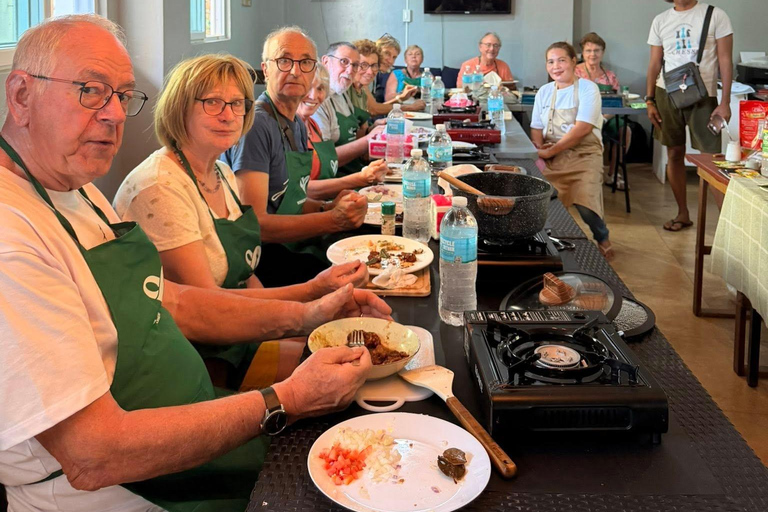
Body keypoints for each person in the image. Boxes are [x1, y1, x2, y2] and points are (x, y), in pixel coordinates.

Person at [0, 15, 391, 512]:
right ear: (21, 95)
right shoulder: (12, 236)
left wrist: (311, 309)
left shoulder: (73, 188)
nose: (114, 114)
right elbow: (92, 454)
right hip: (131, 482)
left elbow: (176, 303)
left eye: (122, 95)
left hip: (191, 412)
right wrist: (285, 399)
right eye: (91, 91)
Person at [114, 54, 370, 386]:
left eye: (237, 104)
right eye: (212, 102)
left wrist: (310, 306)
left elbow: (246, 277)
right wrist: (311, 295)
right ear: (179, 108)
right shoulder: (159, 187)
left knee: (354, 355)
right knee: (342, 375)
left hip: (241, 336)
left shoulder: (221, 172)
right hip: (195, 363)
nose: (229, 115)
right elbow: (207, 308)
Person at [222, 27, 368, 286]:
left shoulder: (297, 123)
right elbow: (256, 225)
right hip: (260, 259)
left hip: (294, 244)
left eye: (305, 62)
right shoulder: (257, 125)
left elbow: (292, 199)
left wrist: (328, 207)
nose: (295, 71)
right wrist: (332, 219)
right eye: (284, 60)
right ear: (266, 69)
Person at [646, 0, 733, 232]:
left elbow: (725, 59)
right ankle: (682, 213)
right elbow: (654, 63)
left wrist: (725, 102)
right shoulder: (660, 20)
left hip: (704, 96)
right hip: (666, 93)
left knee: (711, 159)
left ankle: (728, 226)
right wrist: (649, 99)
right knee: (674, 153)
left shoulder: (716, 15)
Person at [531, 42, 614, 260]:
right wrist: (540, 148)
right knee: (547, 202)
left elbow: (583, 128)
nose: (556, 66)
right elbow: (536, 127)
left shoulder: (588, 88)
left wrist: (550, 151)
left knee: (587, 203)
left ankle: (602, 237)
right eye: (551, 62)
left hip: (585, 154)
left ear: (573, 62)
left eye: (561, 60)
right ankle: (550, 241)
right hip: (553, 155)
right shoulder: (544, 92)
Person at [297, 62, 389, 199]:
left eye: (320, 88)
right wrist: (360, 178)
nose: (313, 95)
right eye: (307, 87)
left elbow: (328, 163)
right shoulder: (286, 130)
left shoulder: (313, 125)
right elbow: (301, 190)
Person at [312, 41, 384, 176]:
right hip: (338, 178)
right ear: (326, 61)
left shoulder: (342, 93)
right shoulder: (316, 102)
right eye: (344, 62)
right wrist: (368, 139)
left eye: (355, 65)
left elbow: (353, 135)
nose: (350, 70)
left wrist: (372, 129)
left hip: (356, 169)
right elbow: (324, 160)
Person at [575, 32, 632, 191]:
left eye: (596, 50)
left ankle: (613, 174)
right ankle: (581, 175)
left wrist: (604, 118)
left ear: (602, 52)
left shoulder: (610, 76)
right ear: (582, 53)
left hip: (606, 117)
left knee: (625, 131)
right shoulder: (575, 73)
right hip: (581, 117)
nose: (592, 54)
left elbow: (617, 103)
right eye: (588, 51)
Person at [350, 39, 424, 119]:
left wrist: (401, 97)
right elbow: (373, 109)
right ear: (377, 52)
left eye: (394, 57)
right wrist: (410, 107)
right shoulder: (362, 76)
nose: (390, 60)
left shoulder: (374, 76)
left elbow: (376, 107)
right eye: (386, 53)